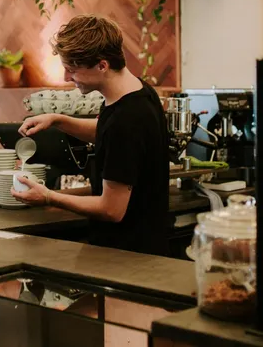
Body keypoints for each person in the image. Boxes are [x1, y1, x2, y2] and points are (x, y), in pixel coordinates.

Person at [11, 14, 170, 256]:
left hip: (129, 256)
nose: (66, 78)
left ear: (102, 65)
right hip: (142, 244)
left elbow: (111, 209)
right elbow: (109, 135)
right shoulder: (137, 92)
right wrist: (58, 120)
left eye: (72, 70)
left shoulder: (127, 119)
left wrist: (48, 197)